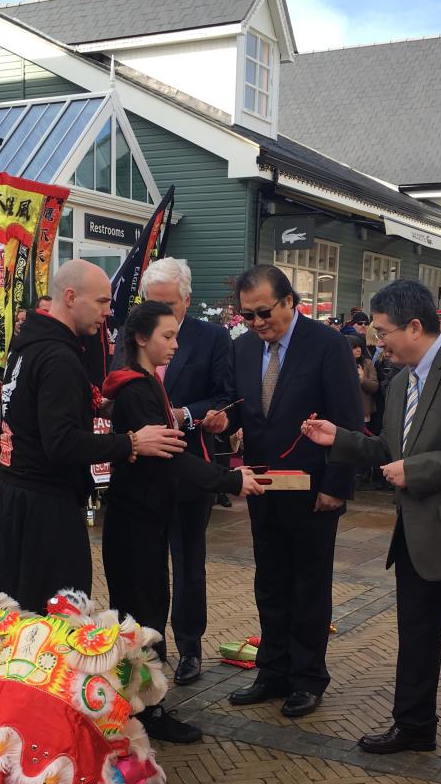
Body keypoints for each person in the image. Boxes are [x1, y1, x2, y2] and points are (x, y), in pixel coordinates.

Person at [301, 278, 441, 758]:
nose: (378, 341)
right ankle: (414, 725)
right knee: (415, 639)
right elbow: (390, 450)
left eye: (383, 330)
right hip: (414, 538)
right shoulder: (401, 381)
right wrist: (341, 439)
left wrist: (415, 471)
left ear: (415, 326)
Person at [202, 264, 362, 719]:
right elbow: (238, 406)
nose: (256, 323)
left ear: (290, 301)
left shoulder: (327, 346)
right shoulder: (244, 349)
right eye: (247, 315)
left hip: (313, 489)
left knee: (309, 584)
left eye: (263, 313)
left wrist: (336, 487)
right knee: (269, 581)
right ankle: (272, 671)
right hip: (263, 485)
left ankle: (308, 678)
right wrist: (222, 421)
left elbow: (348, 419)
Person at [0, 259, 186, 613]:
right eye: (102, 302)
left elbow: (36, 415)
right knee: (56, 618)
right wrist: (132, 442)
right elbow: (61, 442)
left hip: (11, 495)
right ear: (71, 296)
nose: (107, 313)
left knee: (17, 613)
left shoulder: (27, 344)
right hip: (44, 509)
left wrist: (92, 407)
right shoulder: (58, 357)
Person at [101, 301, 262, 742]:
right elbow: (172, 458)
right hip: (135, 522)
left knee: (146, 612)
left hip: (143, 516)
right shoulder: (137, 390)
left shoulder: (144, 383)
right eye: (167, 337)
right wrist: (230, 479)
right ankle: (145, 714)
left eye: (176, 336)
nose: (175, 345)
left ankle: (143, 707)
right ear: (140, 338)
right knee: (143, 618)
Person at [138, 257, 235, 687]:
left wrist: (185, 415)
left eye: (169, 305)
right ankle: (149, 647)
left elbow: (225, 395)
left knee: (189, 562)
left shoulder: (211, 338)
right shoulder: (132, 336)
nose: (159, 313)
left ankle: (190, 647)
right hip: (141, 470)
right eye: (150, 303)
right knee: (146, 563)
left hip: (190, 468)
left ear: (187, 300)